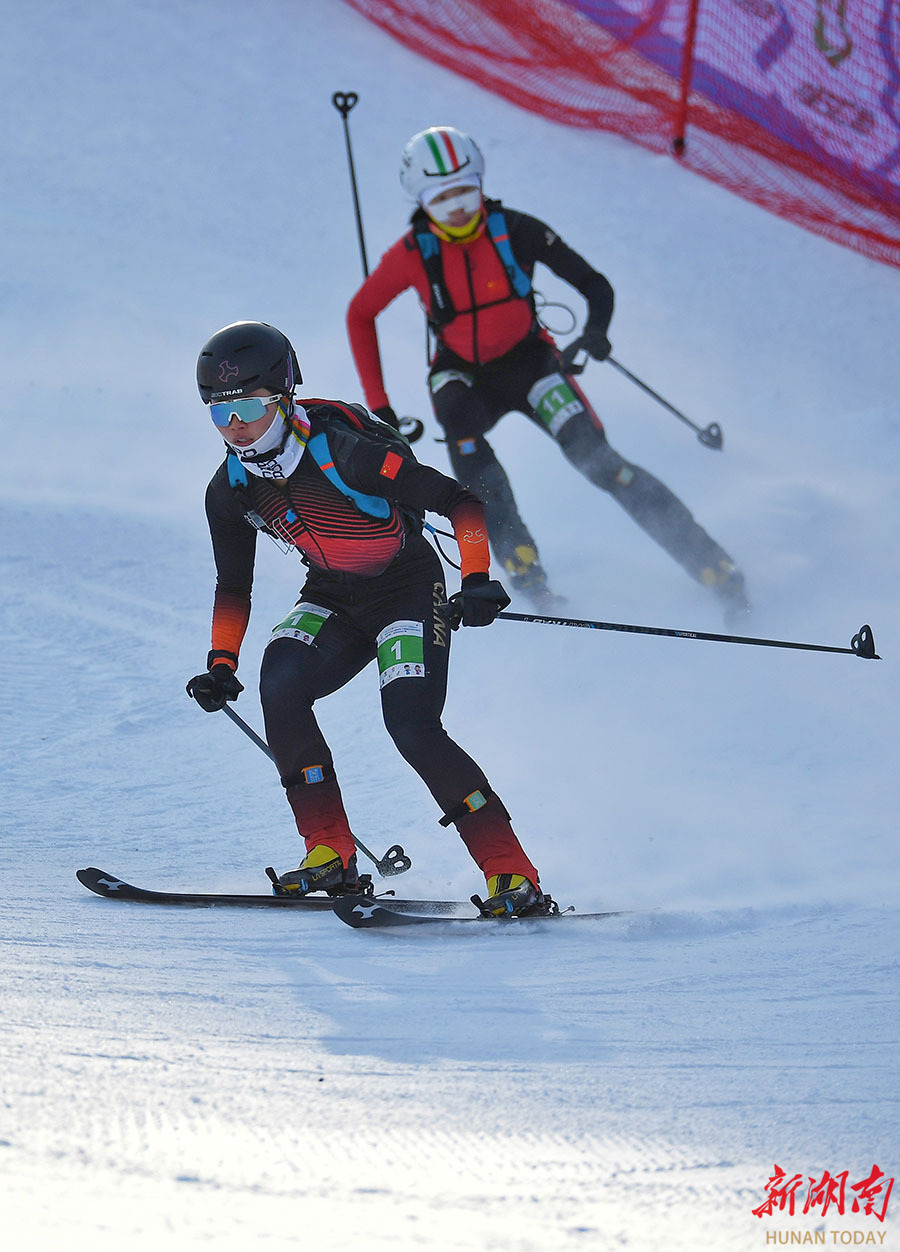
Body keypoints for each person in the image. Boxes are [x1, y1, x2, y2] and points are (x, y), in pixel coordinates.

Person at [185, 320, 551, 918]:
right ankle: (329, 850)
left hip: (407, 590)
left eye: (247, 407)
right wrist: (221, 663)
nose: (234, 427)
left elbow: (460, 502)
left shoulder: (348, 455)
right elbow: (233, 586)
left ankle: (511, 872)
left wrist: (478, 578)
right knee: (278, 682)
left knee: (410, 724)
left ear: (282, 396)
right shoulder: (230, 489)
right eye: (217, 414)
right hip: (333, 594)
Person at [346, 125, 750, 620]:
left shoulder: (515, 228)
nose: (457, 208)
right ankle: (529, 578)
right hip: (463, 378)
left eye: (466, 191)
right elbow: (360, 314)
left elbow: (594, 284)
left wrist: (595, 332)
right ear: (421, 201)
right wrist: (379, 404)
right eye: (441, 197)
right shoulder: (412, 254)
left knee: (604, 464)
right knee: (475, 469)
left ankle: (716, 567)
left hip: (532, 366)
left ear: (481, 184)